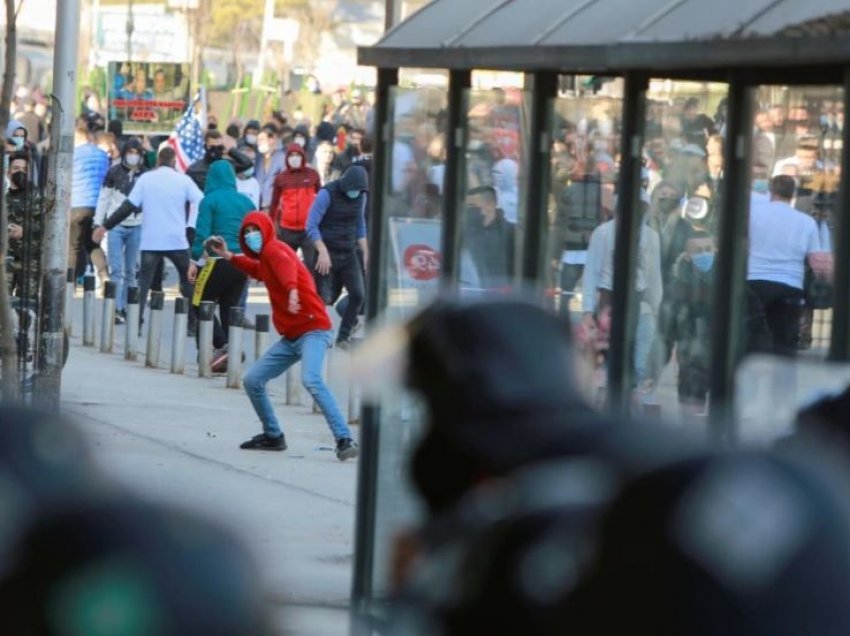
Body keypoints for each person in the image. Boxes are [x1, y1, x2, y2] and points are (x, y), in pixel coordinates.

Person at [206, 212, 359, 460]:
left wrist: (292, 291)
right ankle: (273, 435)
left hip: (314, 330)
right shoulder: (266, 257)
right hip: (291, 337)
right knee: (253, 380)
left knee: (311, 379)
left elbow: (286, 268)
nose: (251, 236)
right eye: (246, 233)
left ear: (266, 229)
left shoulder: (275, 250)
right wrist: (229, 256)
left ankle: (344, 439)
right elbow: (257, 269)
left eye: (254, 231)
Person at [94, 147, 203, 326]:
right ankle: (196, 320)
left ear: (158, 161)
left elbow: (127, 207)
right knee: (188, 281)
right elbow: (201, 200)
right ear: (174, 162)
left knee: (143, 283)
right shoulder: (183, 180)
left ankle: (136, 322)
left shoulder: (146, 179)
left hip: (151, 242)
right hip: (177, 240)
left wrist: (105, 226)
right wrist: (191, 226)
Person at [188, 160, 255, 370]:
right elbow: (254, 234)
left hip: (216, 261)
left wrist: (194, 260)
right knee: (229, 308)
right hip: (241, 263)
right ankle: (230, 353)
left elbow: (202, 235)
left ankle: (218, 347)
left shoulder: (209, 201)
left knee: (200, 303)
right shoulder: (246, 202)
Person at [747, 175, 821, 356]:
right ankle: (783, 381)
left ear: (771, 191)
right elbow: (815, 259)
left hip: (754, 283)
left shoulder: (753, 216)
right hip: (790, 286)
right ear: (793, 195)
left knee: (751, 340)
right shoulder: (806, 222)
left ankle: (748, 379)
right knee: (785, 344)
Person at [305, 165, 369, 349]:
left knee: (358, 295)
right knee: (324, 298)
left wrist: (366, 252)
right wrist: (322, 251)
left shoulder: (361, 196)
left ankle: (343, 337)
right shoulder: (327, 194)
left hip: (348, 252)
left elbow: (360, 225)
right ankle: (319, 336)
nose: (354, 193)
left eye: (358, 190)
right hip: (327, 252)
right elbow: (311, 225)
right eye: (352, 189)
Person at [657, 230, 716, 420]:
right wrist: (656, 364)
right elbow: (665, 329)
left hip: (722, 357)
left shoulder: (730, 282)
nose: (704, 254)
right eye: (698, 251)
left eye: (707, 249)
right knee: (691, 415)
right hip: (690, 358)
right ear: (687, 256)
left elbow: (753, 319)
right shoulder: (678, 286)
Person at [94, 138, 147, 324]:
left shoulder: (145, 175)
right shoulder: (114, 172)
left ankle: (128, 307)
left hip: (137, 226)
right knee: (116, 269)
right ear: (124, 153)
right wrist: (98, 223)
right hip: (115, 226)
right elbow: (104, 198)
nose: (133, 156)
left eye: (137, 153)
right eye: (130, 152)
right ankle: (115, 308)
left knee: (132, 270)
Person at [70, 119, 110, 284]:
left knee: (73, 247)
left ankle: (69, 284)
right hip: (97, 207)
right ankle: (104, 276)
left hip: (77, 205)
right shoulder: (101, 154)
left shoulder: (73, 154)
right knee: (92, 243)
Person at [270, 143, 320, 265]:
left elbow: (320, 198)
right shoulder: (281, 178)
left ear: (303, 156)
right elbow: (274, 203)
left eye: (298, 155)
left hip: (308, 229)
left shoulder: (312, 174)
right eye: (291, 155)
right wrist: (272, 223)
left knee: (311, 265)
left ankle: (310, 284)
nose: (295, 157)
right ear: (287, 158)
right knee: (286, 264)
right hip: (287, 229)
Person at [463, 185, 515, 288]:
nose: (469, 211)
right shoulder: (465, 234)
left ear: (490, 205)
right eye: (467, 207)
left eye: (473, 206)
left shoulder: (510, 232)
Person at [254, 127, 285, 210]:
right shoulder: (257, 158)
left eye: (262, 139)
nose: (259, 143)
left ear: (271, 140)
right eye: (258, 140)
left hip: (272, 205)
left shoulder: (281, 157)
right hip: (256, 203)